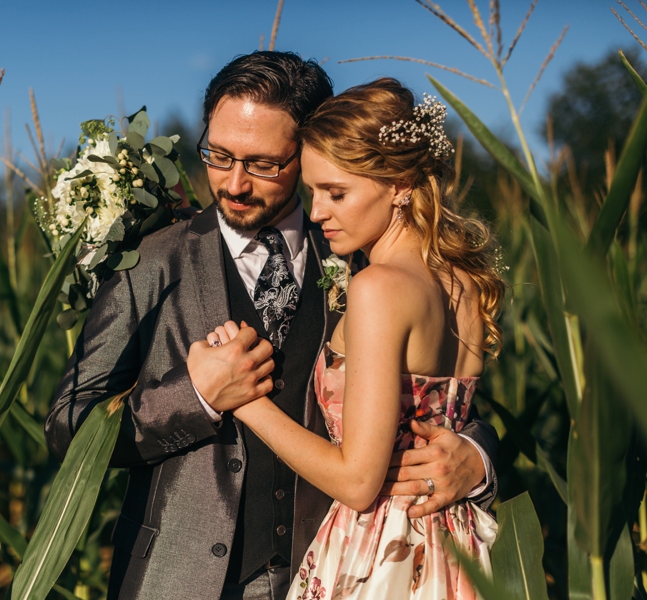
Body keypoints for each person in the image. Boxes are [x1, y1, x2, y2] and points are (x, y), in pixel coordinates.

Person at [45, 52, 499, 600]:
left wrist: (476, 459)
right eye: (218, 155)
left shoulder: (363, 254)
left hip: (345, 570)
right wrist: (197, 396)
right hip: (181, 582)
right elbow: (69, 426)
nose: (234, 183)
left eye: (264, 163)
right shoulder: (151, 264)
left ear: (305, 151)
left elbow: (434, 403)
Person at [206, 78, 503, 599]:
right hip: (452, 542)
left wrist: (245, 402)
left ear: (400, 185)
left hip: (382, 550)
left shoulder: (377, 289)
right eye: (313, 192)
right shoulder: (465, 284)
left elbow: (359, 482)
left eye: (336, 193)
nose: (318, 213)